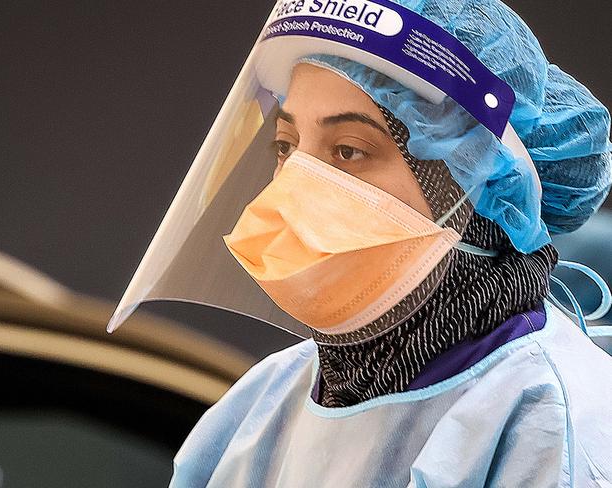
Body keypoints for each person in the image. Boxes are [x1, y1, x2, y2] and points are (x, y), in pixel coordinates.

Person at [108, 0, 612, 485]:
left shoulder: (554, 428)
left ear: (479, 187)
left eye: (349, 150)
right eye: (287, 146)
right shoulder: (262, 405)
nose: (296, 187)